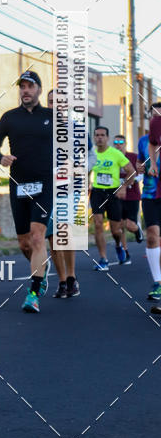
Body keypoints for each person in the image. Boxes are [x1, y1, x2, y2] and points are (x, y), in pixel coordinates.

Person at [0, 70, 53, 314]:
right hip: (19, 184)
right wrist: (1, 157)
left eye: (30, 86)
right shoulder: (9, 118)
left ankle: (34, 292)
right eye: (22, 87)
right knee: (25, 243)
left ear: (38, 89)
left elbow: (69, 146)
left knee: (38, 237)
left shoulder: (52, 116)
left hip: (45, 184)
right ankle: (41, 270)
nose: (25, 90)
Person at [46, 89, 93, 299]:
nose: (53, 106)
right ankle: (62, 280)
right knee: (52, 236)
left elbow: (92, 155)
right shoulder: (39, 130)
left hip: (71, 188)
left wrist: (80, 168)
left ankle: (72, 277)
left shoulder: (79, 130)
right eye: (50, 102)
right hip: (46, 189)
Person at [90, 126, 137, 271]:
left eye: (102, 135)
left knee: (115, 230)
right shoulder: (91, 154)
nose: (99, 138)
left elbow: (131, 171)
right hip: (97, 192)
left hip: (113, 193)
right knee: (98, 223)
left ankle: (118, 245)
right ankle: (103, 259)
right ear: (94, 137)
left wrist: (123, 187)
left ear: (107, 138)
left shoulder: (115, 154)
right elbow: (86, 170)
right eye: (97, 135)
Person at [137, 103, 161, 310]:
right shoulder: (144, 139)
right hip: (151, 192)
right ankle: (157, 282)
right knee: (153, 234)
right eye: (153, 113)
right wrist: (148, 166)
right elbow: (141, 161)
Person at [112, 133, 144, 264]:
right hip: (116, 196)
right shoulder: (112, 158)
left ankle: (137, 230)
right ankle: (125, 253)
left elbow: (141, 175)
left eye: (121, 143)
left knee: (129, 225)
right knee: (119, 225)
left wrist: (128, 181)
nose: (118, 145)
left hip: (132, 195)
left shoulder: (133, 157)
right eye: (116, 143)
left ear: (125, 144)